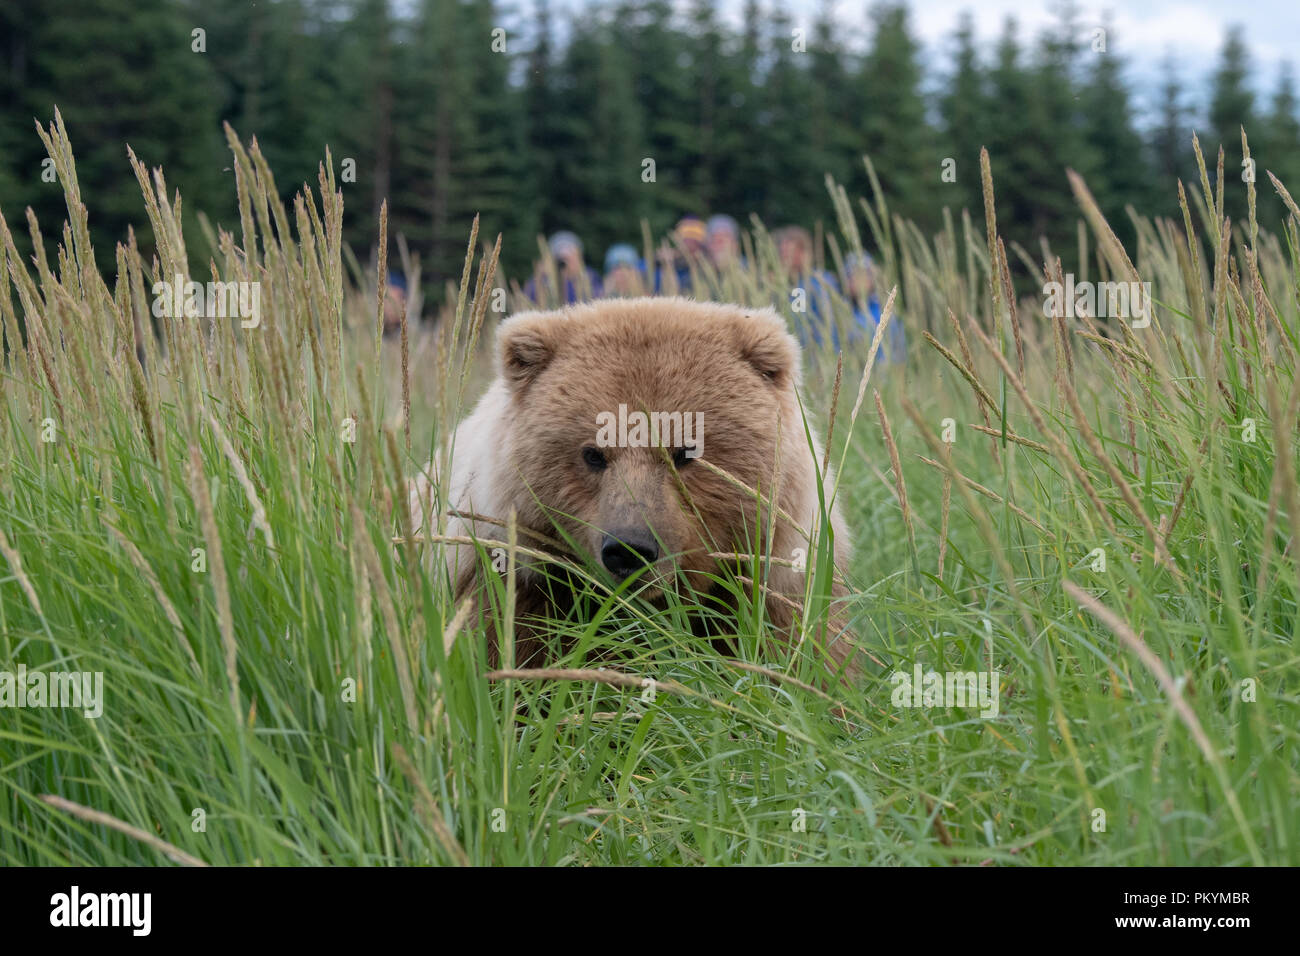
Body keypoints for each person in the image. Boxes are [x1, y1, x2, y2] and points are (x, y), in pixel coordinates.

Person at [845, 251, 905, 364]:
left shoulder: (885, 312)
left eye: (862, 275)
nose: (856, 281)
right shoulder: (841, 311)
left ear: (872, 278)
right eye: (851, 275)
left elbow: (898, 358)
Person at [524, 231, 602, 304]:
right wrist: (539, 276)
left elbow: (599, 297)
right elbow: (527, 298)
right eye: (561, 259)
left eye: (569, 257)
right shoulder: (544, 280)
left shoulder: (590, 277)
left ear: (579, 257)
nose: (564, 263)